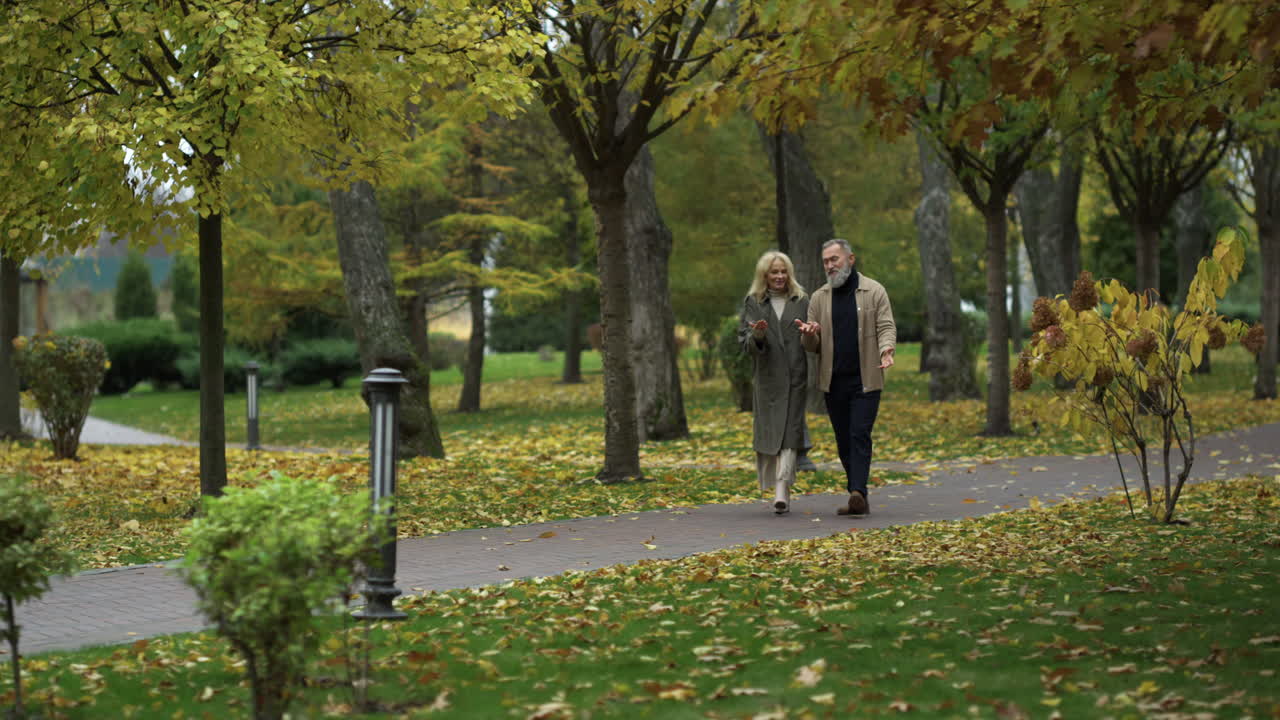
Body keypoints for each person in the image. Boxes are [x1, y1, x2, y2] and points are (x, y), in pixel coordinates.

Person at [796, 239, 896, 516]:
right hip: (833, 381)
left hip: (866, 379)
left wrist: (887, 348)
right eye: (826, 261)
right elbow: (812, 348)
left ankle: (857, 492)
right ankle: (857, 492)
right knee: (843, 439)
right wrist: (808, 334)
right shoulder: (818, 298)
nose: (829, 265)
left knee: (859, 433)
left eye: (834, 259)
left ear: (850, 259)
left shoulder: (874, 291)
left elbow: (886, 325)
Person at [740, 250, 811, 514]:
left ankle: (782, 489)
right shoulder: (754, 302)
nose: (779, 276)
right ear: (765, 275)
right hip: (767, 379)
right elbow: (745, 343)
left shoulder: (802, 300)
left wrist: (811, 334)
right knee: (771, 435)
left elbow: (813, 341)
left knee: (790, 433)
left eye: (783, 271)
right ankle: (777, 485)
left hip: (795, 377)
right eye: (774, 272)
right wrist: (757, 336)